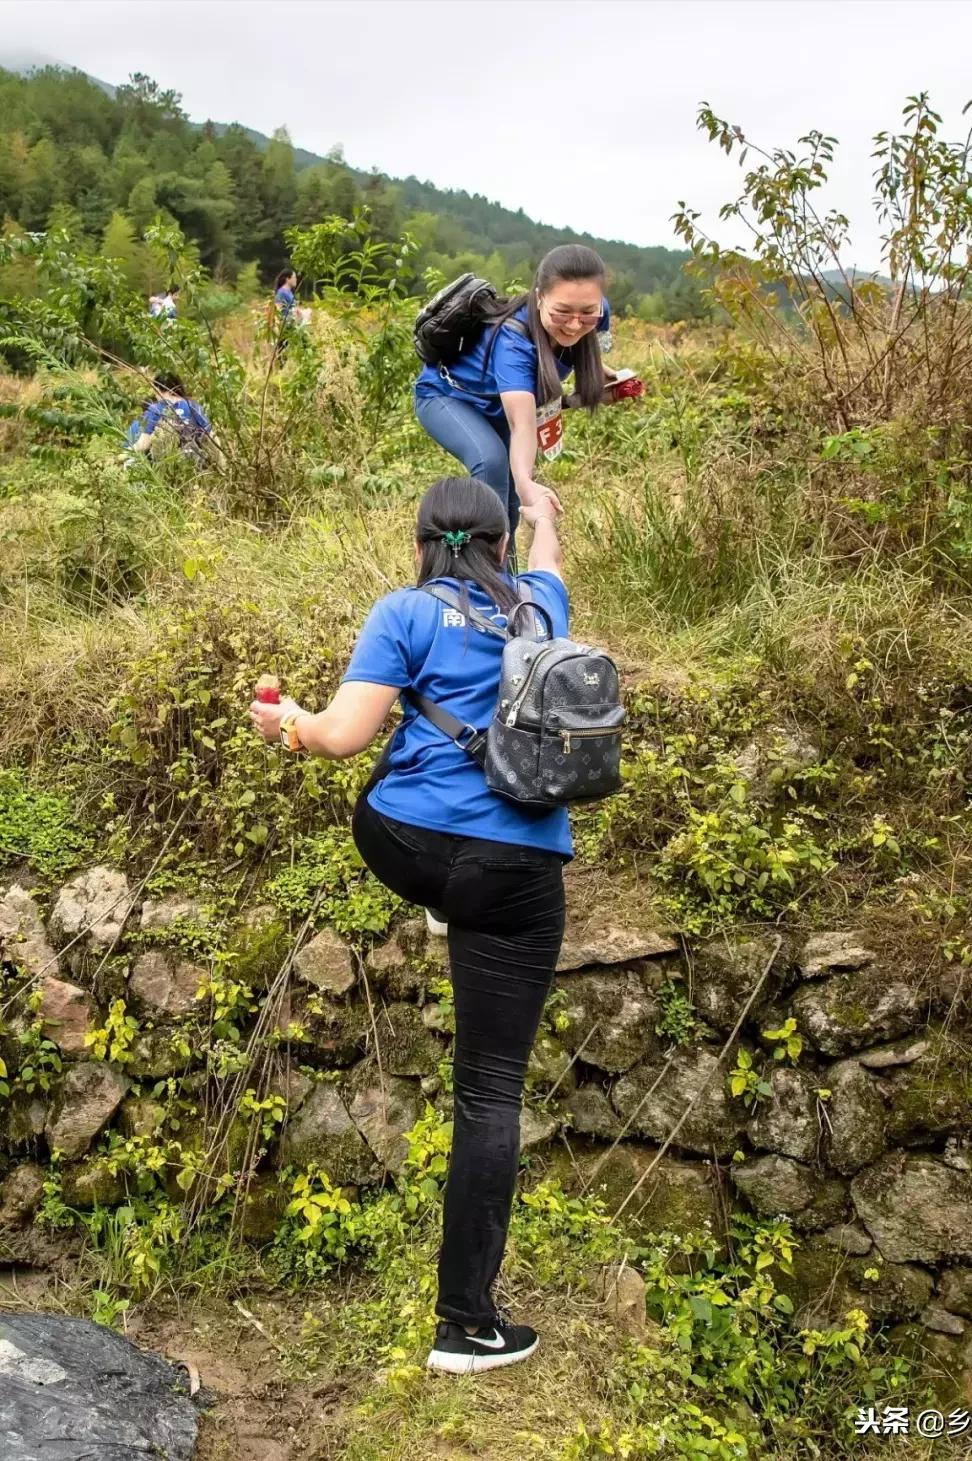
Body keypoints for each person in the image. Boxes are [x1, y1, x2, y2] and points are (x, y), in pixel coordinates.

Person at [249, 476, 569, 1375]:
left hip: (411, 842)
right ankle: (466, 1326)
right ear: (502, 543)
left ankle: (440, 896)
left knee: (397, 820)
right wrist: (544, 518)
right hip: (522, 870)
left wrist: (286, 724)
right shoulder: (542, 608)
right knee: (490, 1095)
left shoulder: (405, 610)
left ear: (422, 541)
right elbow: (548, 563)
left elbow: (346, 735)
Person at [414, 244, 628, 541]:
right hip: (447, 397)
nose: (576, 323)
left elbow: (579, 354)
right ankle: (489, 576)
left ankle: (506, 578)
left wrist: (596, 381)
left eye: (588, 312)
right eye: (562, 312)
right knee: (491, 463)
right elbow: (523, 424)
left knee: (511, 504)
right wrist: (527, 483)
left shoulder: (597, 312)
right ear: (540, 297)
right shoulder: (513, 343)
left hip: (500, 406)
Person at [124, 373, 212, 463]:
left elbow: (144, 444)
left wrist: (123, 453)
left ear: (158, 389)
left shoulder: (156, 409)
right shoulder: (194, 406)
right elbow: (211, 436)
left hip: (167, 462)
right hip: (195, 461)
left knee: (131, 462)